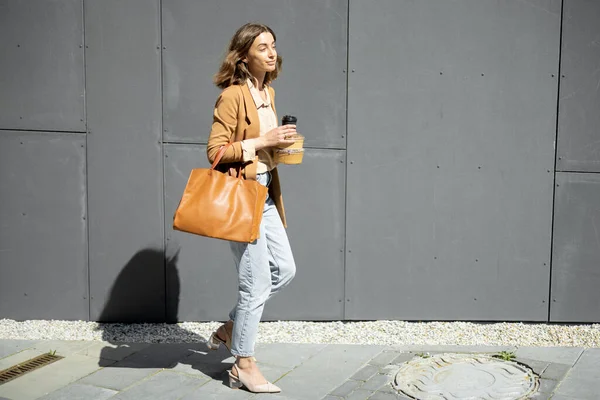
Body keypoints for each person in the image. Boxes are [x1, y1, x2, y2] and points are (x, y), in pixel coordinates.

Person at [204, 22, 297, 393]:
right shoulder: (232, 95)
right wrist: (263, 140)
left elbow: (261, 145)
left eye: (273, 45)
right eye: (262, 47)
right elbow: (215, 151)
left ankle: (230, 327)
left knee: (286, 270)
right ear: (244, 56)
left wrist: (280, 148)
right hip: (241, 197)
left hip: (266, 193)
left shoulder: (267, 93)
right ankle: (243, 363)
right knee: (254, 282)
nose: (271, 52)